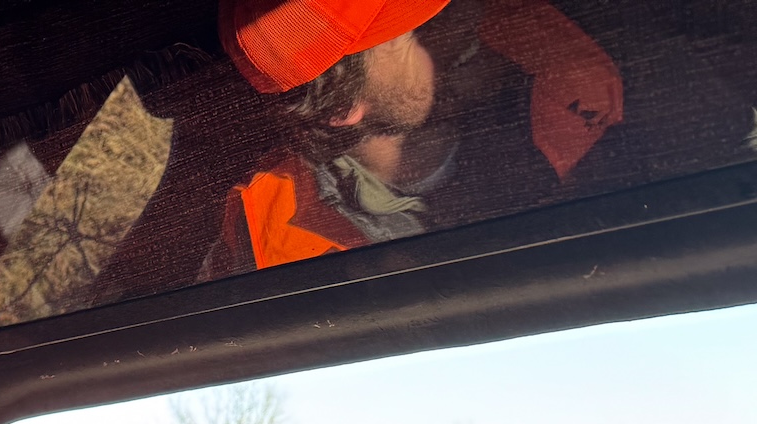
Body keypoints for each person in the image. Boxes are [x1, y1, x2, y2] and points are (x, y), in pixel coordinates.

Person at [202, 0, 622, 277]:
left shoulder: (546, 79)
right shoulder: (274, 240)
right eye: (407, 37)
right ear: (342, 109)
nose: (437, 30)